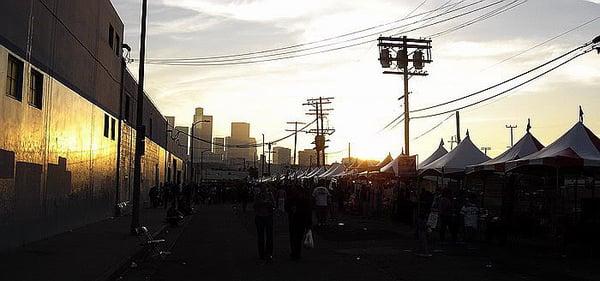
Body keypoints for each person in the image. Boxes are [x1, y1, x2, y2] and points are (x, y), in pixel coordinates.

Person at [286, 183, 312, 260]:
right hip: (297, 220)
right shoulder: (294, 199)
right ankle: (295, 252)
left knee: (296, 237)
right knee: (296, 237)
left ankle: (296, 252)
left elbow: (308, 211)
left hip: (298, 220)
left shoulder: (303, 199)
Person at [253, 184, 275, 262]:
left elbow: (273, 205)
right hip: (260, 217)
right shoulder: (258, 196)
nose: (264, 189)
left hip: (268, 216)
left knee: (269, 236)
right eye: (262, 188)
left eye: (264, 188)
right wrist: (261, 203)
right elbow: (254, 205)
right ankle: (262, 253)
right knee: (261, 236)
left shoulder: (270, 195)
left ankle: (268, 252)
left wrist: (268, 204)